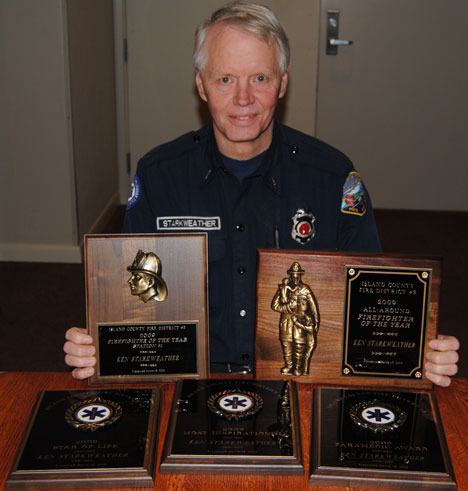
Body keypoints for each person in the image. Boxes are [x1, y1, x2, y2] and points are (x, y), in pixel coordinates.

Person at [64, 1, 459, 385]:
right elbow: (130, 305)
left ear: (282, 83)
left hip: (298, 382)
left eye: (260, 78)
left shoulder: (333, 177)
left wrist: (411, 350)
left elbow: (368, 303)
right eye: (225, 79)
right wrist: (97, 345)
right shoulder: (159, 176)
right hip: (193, 383)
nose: (242, 99)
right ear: (201, 85)